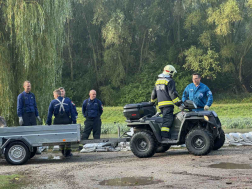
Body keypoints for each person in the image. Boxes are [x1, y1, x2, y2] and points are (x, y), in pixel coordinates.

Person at [151, 65, 183, 140]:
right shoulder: (169, 81)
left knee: (165, 119)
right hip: (168, 105)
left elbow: (153, 94)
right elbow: (172, 94)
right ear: (171, 72)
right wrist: (179, 104)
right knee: (167, 121)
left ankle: (164, 136)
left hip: (161, 105)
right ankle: (165, 137)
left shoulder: (158, 81)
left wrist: (152, 102)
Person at [46, 89, 76, 157]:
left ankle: (62, 151)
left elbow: (49, 114)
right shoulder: (68, 101)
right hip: (67, 121)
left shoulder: (53, 102)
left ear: (56, 95)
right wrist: (74, 122)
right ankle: (68, 152)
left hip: (57, 122)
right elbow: (72, 112)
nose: (54, 96)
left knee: (60, 137)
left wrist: (48, 123)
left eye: (54, 95)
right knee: (68, 137)